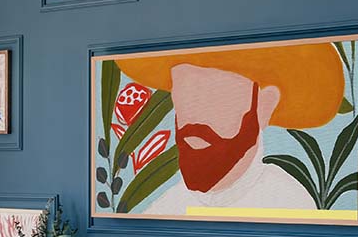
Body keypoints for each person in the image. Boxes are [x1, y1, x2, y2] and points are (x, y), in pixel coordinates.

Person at [114, 40, 344, 217]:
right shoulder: (165, 207)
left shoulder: (289, 205)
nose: (194, 116)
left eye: (216, 96)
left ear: (264, 106)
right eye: (185, 93)